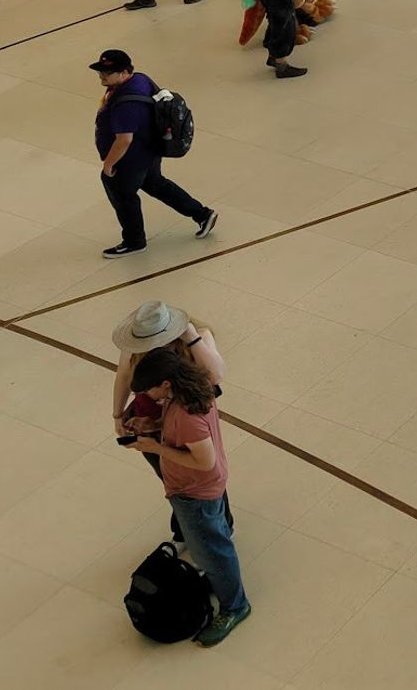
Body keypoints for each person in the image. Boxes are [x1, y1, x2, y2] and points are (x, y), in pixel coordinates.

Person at [127, 346, 252, 643]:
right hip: (205, 486)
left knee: (212, 551)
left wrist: (156, 449)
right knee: (215, 536)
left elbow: (203, 461)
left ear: (166, 383)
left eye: (150, 389)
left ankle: (235, 606)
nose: (149, 396)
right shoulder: (193, 390)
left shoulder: (187, 416)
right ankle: (218, 578)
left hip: (194, 492)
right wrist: (155, 428)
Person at [111, 301, 229, 550]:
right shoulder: (134, 348)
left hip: (187, 424)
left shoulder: (195, 338)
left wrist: (192, 338)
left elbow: (216, 375)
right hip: (151, 422)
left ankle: (221, 524)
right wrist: (117, 414)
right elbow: (123, 375)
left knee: (203, 476)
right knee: (172, 479)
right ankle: (186, 530)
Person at [91, 49, 219, 258]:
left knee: (123, 195)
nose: (102, 76)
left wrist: (108, 165)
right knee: (157, 184)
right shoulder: (139, 80)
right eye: (101, 71)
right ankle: (202, 214)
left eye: (108, 72)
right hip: (149, 151)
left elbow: (124, 140)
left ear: (124, 73)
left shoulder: (126, 103)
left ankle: (134, 241)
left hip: (130, 159)